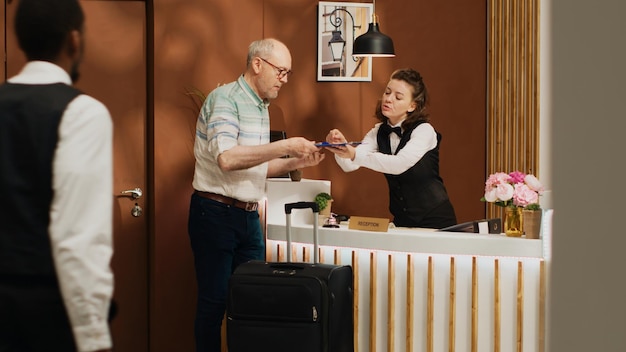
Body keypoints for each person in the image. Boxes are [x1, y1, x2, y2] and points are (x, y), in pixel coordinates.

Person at [188, 38, 325, 351]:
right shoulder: (225, 99)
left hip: (249, 217)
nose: (285, 79)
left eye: (288, 73)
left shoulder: (262, 107)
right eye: (281, 71)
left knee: (250, 304)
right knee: (214, 305)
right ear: (257, 64)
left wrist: (299, 160)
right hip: (215, 213)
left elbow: (255, 167)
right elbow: (228, 159)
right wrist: (287, 146)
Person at [0, 0, 114, 351]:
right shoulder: (83, 113)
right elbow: (77, 239)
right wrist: (93, 336)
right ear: (74, 40)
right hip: (46, 312)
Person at [325, 68, 457, 229]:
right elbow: (349, 165)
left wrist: (352, 153)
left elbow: (399, 164)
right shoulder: (378, 132)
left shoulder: (424, 131)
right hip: (402, 220)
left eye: (398, 97)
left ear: (412, 106)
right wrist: (340, 148)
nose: (388, 99)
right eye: (387, 93)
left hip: (436, 220)